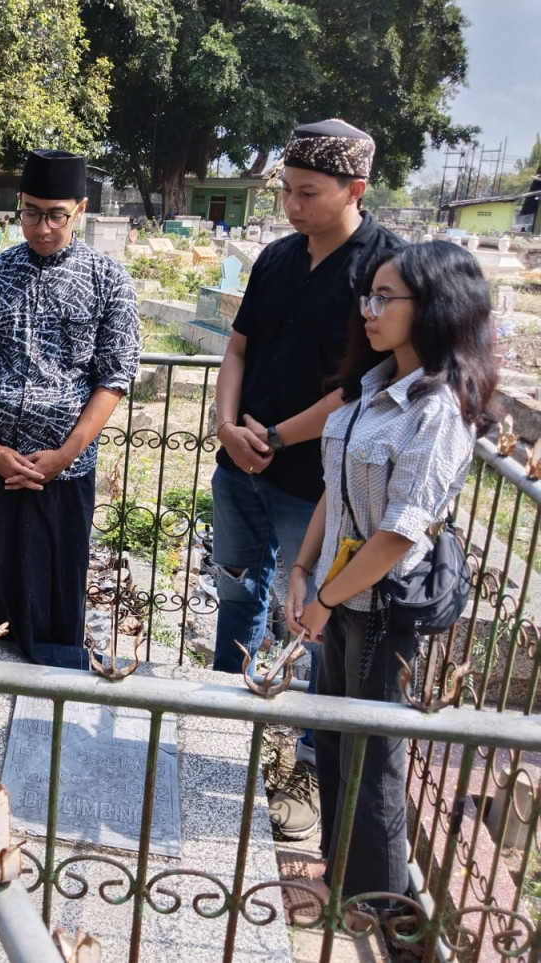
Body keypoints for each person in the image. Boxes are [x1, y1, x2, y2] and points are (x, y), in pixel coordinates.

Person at [208, 119, 403, 841]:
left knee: (315, 615)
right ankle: (228, 715)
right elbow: (238, 348)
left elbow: (362, 386)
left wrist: (277, 435)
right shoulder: (279, 256)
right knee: (237, 587)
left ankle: (308, 760)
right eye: (286, 189)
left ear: (355, 189)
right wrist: (229, 425)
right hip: (243, 464)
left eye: (307, 192)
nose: (291, 204)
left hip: (317, 481)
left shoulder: (385, 270)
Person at [286, 240, 496, 907]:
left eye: (386, 298)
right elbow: (334, 486)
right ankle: (337, 875)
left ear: (433, 306)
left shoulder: (437, 412)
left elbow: (399, 533)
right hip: (339, 594)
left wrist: (323, 597)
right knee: (337, 742)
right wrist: (300, 569)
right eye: (367, 296)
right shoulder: (374, 388)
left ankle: (375, 903)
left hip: (378, 607)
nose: (369, 310)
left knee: (373, 760)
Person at [0, 148, 140, 668]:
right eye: (31, 212)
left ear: (80, 209)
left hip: (66, 471)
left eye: (56, 214)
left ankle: (52, 696)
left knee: (58, 585)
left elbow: (115, 375)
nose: (42, 226)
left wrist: (65, 452)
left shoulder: (108, 281)